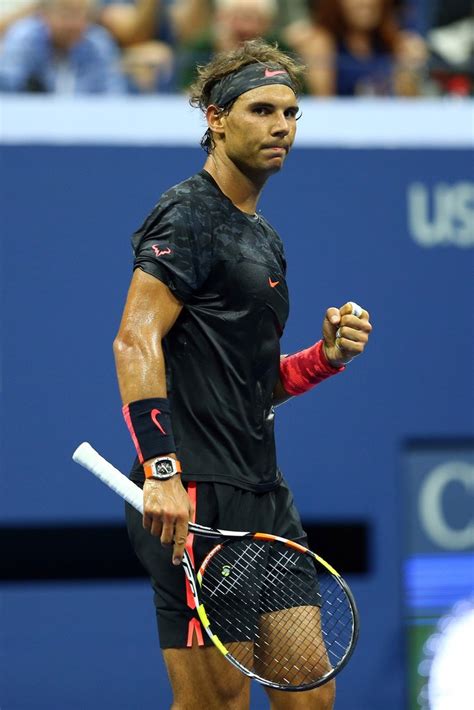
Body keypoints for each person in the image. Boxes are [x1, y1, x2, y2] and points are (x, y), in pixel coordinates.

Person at [113, 38, 373, 709]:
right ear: (215, 118)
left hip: (264, 497)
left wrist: (325, 359)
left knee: (308, 697)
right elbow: (134, 339)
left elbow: (254, 381)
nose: (281, 125)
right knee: (217, 704)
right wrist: (163, 472)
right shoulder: (189, 213)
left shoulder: (263, 237)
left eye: (291, 112)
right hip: (195, 498)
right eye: (261, 109)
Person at [292, 0, 427, 97]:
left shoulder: (395, 43)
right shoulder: (320, 42)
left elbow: (410, 108)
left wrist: (410, 69)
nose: (366, 3)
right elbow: (323, 104)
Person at [0, 0, 125, 93]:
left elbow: (113, 95)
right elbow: (8, 91)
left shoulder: (98, 43)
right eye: (66, 15)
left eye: (80, 15)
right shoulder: (24, 39)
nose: (72, 24)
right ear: (44, 15)